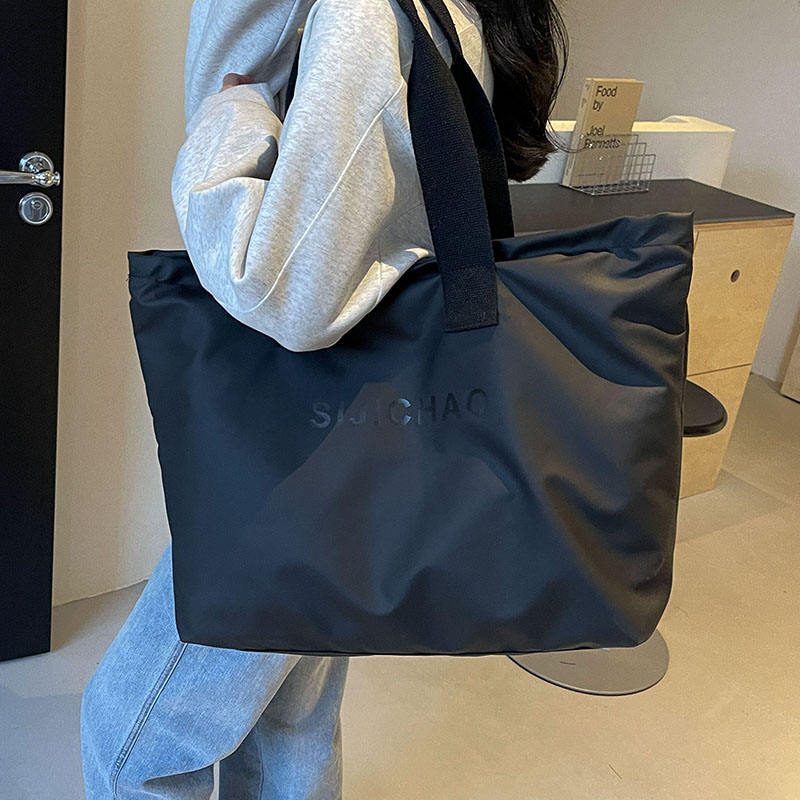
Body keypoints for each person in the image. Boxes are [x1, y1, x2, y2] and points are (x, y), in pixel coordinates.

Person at [80, 0, 567, 797]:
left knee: (127, 740)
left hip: (297, 471)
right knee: (289, 726)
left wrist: (233, 112)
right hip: (365, 463)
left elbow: (280, 290)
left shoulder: (362, 17)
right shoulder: (448, 18)